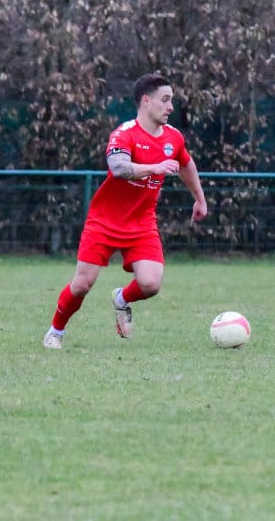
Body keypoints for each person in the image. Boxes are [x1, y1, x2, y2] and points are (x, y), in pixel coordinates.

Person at [43, 73, 208, 350]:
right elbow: (118, 168)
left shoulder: (173, 137)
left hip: (142, 222)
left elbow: (186, 164)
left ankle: (121, 299)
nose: (171, 107)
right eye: (165, 100)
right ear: (146, 101)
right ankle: (55, 332)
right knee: (82, 284)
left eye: (171, 101)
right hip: (104, 221)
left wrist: (199, 199)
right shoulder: (124, 134)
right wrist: (154, 167)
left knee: (151, 284)